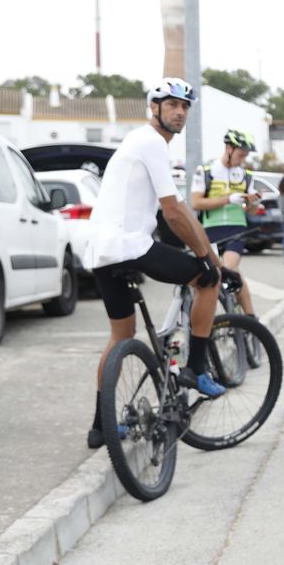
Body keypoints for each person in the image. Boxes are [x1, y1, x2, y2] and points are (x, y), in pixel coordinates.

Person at [83, 77, 226, 449]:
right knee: (207, 281)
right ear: (155, 108)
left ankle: (101, 427)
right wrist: (207, 260)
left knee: (120, 337)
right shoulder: (151, 142)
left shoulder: (137, 142)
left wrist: (205, 249)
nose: (180, 112)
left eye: (185, 107)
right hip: (131, 245)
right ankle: (196, 367)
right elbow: (174, 213)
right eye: (172, 105)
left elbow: (181, 211)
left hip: (102, 249)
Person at [189, 128, 262, 315]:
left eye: (246, 155)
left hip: (236, 230)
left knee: (230, 268)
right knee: (209, 277)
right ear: (228, 148)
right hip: (210, 231)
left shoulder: (246, 175)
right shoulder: (206, 171)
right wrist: (228, 199)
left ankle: (250, 318)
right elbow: (196, 203)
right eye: (240, 154)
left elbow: (251, 211)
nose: (243, 159)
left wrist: (253, 202)